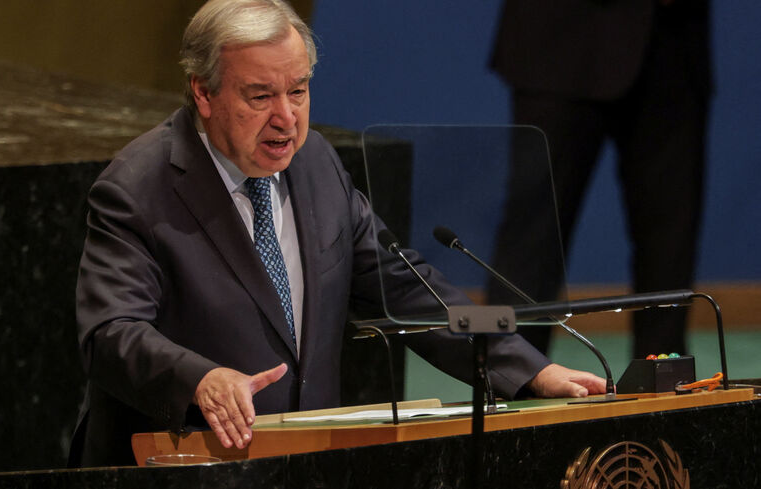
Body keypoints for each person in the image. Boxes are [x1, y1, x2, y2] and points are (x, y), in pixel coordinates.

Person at [69, 0, 605, 467]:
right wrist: (200, 379)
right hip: (182, 461)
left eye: (298, 91)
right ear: (203, 93)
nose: (286, 118)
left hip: (308, 463)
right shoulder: (139, 187)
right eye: (260, 97)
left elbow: (411, 291)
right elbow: (110, 332)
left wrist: (531, 367)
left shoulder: (317, 164)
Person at [488, 0, 710, 357]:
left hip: (672, 42)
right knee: (532, 237)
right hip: (557, 41)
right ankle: (509, 381)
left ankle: (664, 396)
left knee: (670, 241)